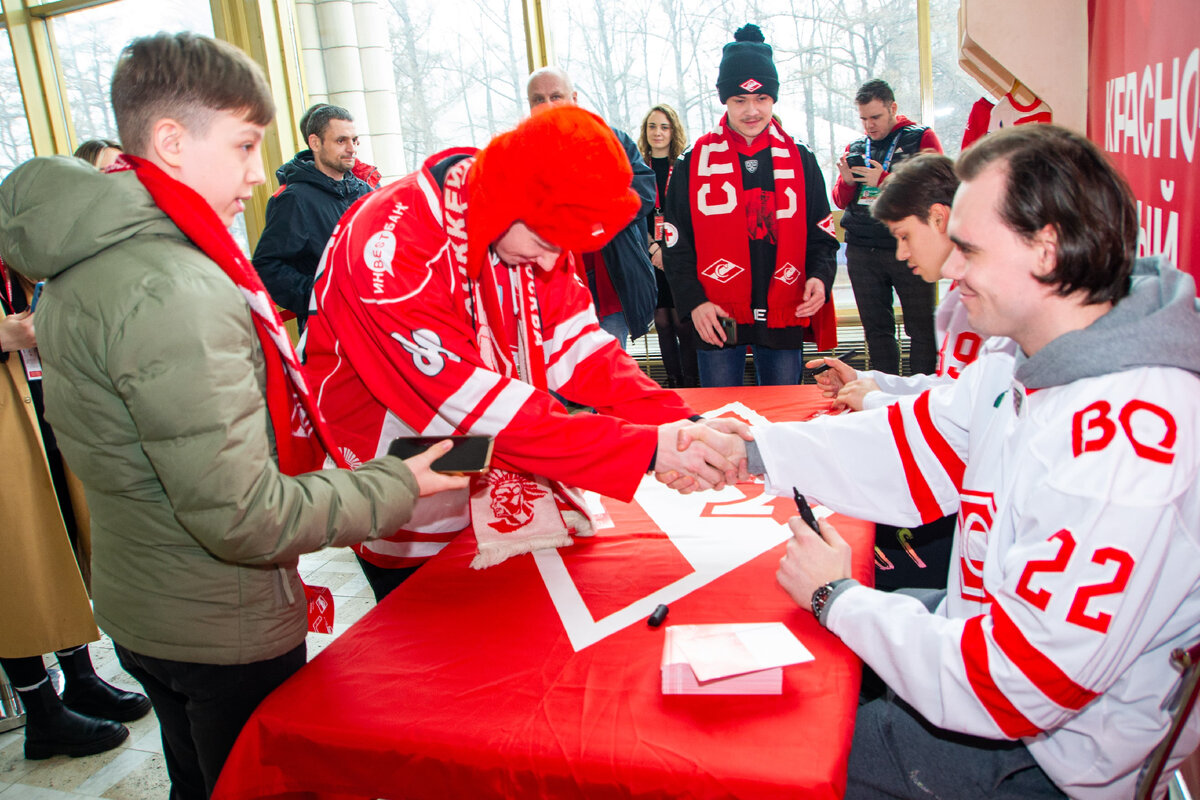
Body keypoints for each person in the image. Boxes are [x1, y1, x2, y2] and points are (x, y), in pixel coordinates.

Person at [0, 32, 465, 798]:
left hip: (146, 600)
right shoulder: (174, 287)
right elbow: (245, 515)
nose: (257, 172)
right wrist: (401, 481)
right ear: (172, 141)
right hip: (219, 621)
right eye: (246, 145)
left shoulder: (91, 261)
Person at [686, 124, 1200, 799]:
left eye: (967, 248)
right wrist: (752, 450)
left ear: (1046, 248)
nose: (950, 271)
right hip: (984, 661)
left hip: (1045, 763)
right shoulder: (1023, 358)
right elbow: (914, 449)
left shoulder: (1133, 441)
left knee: (770, 765)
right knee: (799, 677)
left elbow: (1019, 686)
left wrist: (834, 596)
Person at [303, 104, 744, 601]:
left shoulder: (529, 217)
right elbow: (485, 413)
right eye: (544, 242)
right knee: (438, 642)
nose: (552, 261)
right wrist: (647, 448)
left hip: (486, 457)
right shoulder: (391, 248)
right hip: (398, 461)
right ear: (505, 203)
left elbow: (580, 347)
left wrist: (682, 423)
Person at [809, 152, 1016, 590]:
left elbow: (963, 416)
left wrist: (876, 399)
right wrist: (875, 381)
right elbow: (954, 389)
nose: (900, 253)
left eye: (904, 236)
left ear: (940, 219)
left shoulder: (992, 303)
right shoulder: (962, 300)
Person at [1, 256, 152, 761]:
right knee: (18, 566)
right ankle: (40, 713)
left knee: (64, 542)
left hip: (41, 405)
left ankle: (81, 679)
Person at [663, 23, 839, 387]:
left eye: (761, 99)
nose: (751, 111)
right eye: (739, 100)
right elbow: (676, 244)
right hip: (717, 309)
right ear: (724, 100)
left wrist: (820, 278)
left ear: (773, 99)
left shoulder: (801, 158)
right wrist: (694, 302)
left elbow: (822, 236)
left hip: (784, 305)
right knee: (723, 417)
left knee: (784, 415)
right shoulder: (693, 162)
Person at [526, 66, 658, 350]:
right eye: (539, 99)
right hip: (552, 296)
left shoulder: (613, 141)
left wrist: (599, 211)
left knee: (609, 381)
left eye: (556, 96)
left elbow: (645, 192)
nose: (548, 105)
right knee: (558, 386)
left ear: (573, 98)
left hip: (610, 286)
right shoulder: (519, 153)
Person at [832, 78, 943, 377]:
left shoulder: (921, 137)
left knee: (921, 327)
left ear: (893, 108)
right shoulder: (857, 146)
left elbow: (936, 190)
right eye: (864, 119)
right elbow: (841, 201)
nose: (869, 125)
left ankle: (921, 396)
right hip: (861, 248)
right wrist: (847, 180)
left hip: (907, 248)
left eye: (876, 117)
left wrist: (884, 180)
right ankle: (882, 397)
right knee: (876, 330)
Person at [252, 103, 372, 329]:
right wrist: (321, 296)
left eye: (354, 140)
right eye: (341, 140)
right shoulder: (294, 200)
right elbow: (267, 266)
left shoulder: (367, 193)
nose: (352, 148)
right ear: (315, 143)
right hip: (328, 334)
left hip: (372, 326)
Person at [638, 103, 699, 388]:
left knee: (684, 323)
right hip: (651, 256)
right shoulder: (638, 169)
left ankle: (692, 381)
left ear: (673, 131)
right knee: (663, 323)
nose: (658, 132)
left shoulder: (686, 166)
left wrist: (669, 252)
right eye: (652, 126)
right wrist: (653, 249)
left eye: (664, 126)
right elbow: (636, 216)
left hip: (680, 254)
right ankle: (673, 381)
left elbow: (691, 214)